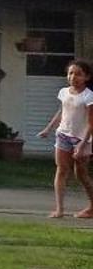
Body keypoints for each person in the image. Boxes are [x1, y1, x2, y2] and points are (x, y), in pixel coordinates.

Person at [36, 58, 93, 219]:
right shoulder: (64, 92)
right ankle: (59, 209)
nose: (73, 77)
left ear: (86, 77)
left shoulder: (89, 97)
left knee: (81, 174)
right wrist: (48, 129)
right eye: (70, 73)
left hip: (82, 139)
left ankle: (92, 206)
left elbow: (91, 124)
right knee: (61, 170)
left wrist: (82, 146)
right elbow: (62, 112)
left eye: (78, 74)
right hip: (63, 135)